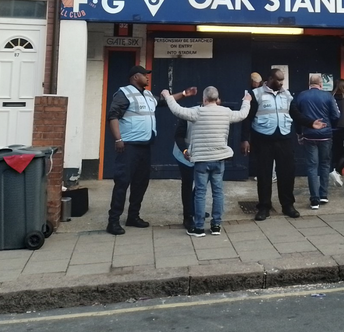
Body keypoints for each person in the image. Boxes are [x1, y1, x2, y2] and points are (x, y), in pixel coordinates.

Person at [106, 65, 196, 235]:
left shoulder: (147, 95)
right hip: (128, 146)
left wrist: (184, 94)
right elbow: (113, 116)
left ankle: (133, 216)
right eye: (144, 75)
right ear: (135, 77)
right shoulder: (123, 93)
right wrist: (118, 139)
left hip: (145, 147)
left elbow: (164, 101)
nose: (148, 78)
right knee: (122, 183)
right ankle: (113, 221)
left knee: (141, 183)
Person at [163, 86, 252, 236]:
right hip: (219, 160)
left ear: (204, 99)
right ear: (217, 100)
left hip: (201, 160)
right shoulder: (225, 112)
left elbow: (176, 109)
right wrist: (247, 101)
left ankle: (198, 227)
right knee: (218, 193)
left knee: (200, 193)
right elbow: (242, 114)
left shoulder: (197, 112)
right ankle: (216, 225)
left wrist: (167, 95)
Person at [241, 68, 300, 220]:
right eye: (278, 80)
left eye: (282, 81)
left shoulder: (287, 94)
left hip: (284, 139)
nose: (281, 83)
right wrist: (245, 139)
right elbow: (247, 118)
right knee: (264, 174)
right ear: (270, 79)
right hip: (263, 140)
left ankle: (288, 206)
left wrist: (311, 123)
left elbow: (295, 114)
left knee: (286, 174)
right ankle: (264, 207)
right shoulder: (256, 94)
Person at [292, 74, 341, 209]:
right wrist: (331, 126)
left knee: (311, 166)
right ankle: (323, 195)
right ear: (320, 84)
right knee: (325, 164)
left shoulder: (301, 96)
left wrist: (299, 133)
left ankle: (314, 200)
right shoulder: (328, 96)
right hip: (325, 135)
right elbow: (336, 115)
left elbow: (297, 116)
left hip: (309, 135)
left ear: (309, 84)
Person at [172, 118, 195, 232]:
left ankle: (195, 208)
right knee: (187, 182)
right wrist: (185, 150)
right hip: (184, 155)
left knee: (202, 182)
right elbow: (178, 136)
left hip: (202, 155)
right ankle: (188, 216)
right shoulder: (188, 116)